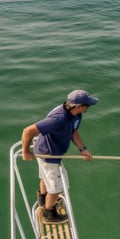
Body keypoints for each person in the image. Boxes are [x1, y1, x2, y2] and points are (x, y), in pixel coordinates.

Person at [21, 90, 98, 224]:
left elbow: (73, 131)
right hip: (48, 155)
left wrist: (82, 149)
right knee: (56, 188)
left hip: (50, 151)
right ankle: (49, 214)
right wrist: (25, 152)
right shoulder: (59, 118)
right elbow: (28, 131)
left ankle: (43, 200)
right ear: (78, 106)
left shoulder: (76, 114)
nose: (89, 107)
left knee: (45, 178)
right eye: (87, 105)